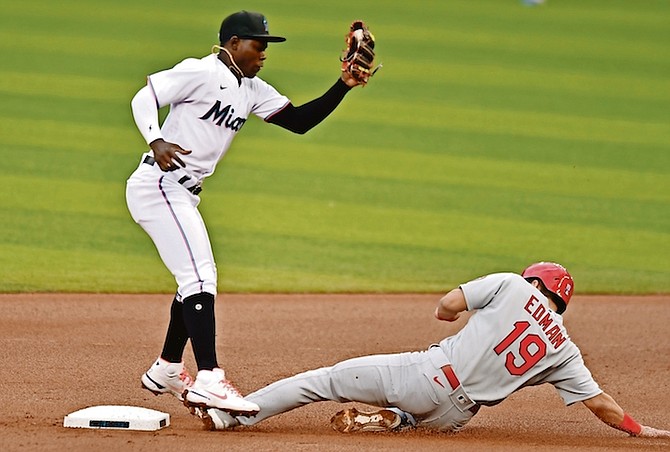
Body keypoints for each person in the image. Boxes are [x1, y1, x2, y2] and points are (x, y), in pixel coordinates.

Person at [126, 10, 371, 415]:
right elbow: (144, 96)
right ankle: (209, 378)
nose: (264, 53)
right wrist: (156, 139)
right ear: (234, 43)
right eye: (259, 45)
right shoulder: (200, 72)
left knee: (193, 277)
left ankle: (168, 367)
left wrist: (343, 85)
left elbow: (298, 122)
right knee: (200, 276)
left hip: (182, 193)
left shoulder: (251, 88)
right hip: (158, 184)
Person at [194, 262, 670, 438]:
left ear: (534, 282)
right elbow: (600, 404)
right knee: (422, 417)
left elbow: (448, 305)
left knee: (325, 380)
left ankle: (233, 416)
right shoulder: (564, 349)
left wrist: (450, 316)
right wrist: (639, 429)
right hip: (456, 417)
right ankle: (396, 420)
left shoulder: (509, 284)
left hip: (427, 375)